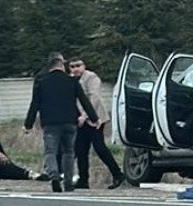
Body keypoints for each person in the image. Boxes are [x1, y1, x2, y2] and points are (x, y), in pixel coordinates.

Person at [24, 52, 101, 193]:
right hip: (69, 121)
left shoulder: (41, 80)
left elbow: (35, 103)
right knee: (69, 152)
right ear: (62, 64)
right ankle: (68, 182)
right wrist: (94, 118)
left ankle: (54, 175)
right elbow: (84, 101)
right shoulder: (71, 81)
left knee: (50, 151)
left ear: (49, 65)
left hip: (50, 122)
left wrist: (28, 124)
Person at [69, 57, 124, 189]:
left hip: (95, 119)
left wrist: (85, 115)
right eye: (72, 66)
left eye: (78, 65)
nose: (76, 69)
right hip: (80, 120)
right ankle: (83, 179)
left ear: (84, 66)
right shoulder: (71, 80)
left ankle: (117, 174)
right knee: (80, 149)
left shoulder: (91, 78)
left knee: (99, 147)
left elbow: (94, 98)